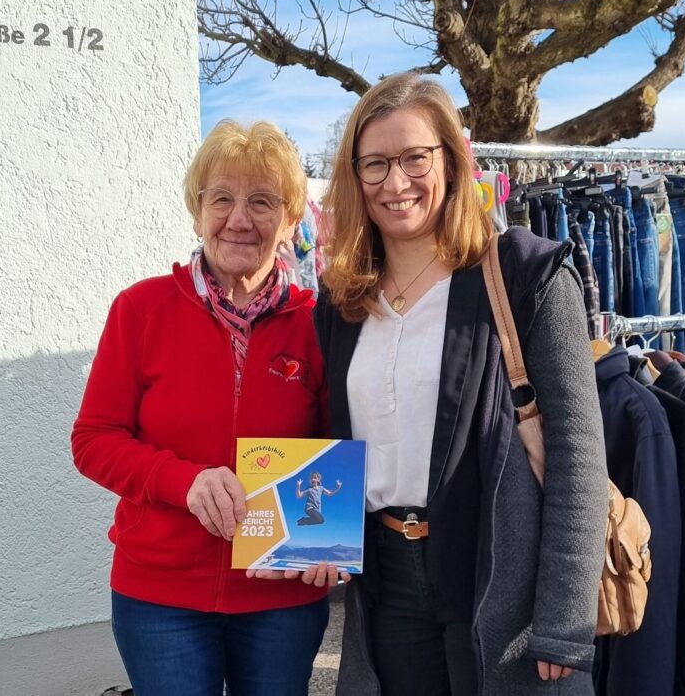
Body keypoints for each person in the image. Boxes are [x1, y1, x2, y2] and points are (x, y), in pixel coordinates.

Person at [314, 72, 608, 696]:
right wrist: (317, 538)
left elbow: (579, 456)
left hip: (503, 578)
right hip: (387, 579)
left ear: (451, 159)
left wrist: (564, 621)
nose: (396, 183)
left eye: (415, 157)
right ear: (354, 176)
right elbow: (332, 436)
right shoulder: (341, 303)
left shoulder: (528, 277)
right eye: (375, 165)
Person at [71, 120, 347, 696]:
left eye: (262, 201)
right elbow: (94, 439)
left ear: (292, 221)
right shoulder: (140, 310)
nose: (239, 218)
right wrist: (184, 482)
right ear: (198, 214)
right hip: (159, 596)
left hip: (282, 595)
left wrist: (330, 545)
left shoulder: (320, 325)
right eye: (221, 198)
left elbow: (337, 449)